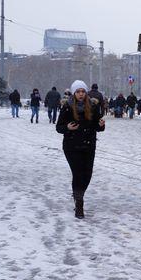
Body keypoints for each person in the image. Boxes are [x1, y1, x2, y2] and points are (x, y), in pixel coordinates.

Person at [56, 80, 105, 219]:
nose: (81, 94)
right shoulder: (67, 107)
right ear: (74, 93)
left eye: (83, 91)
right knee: (78, 174)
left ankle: (77, 194)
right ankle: (79, 203)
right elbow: (59, 127)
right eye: (78, 92)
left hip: (89, 145)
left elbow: (97, 126)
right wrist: (67, 128)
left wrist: (101, 125)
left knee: (87, 175)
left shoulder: (93, 106)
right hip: (71, 146)